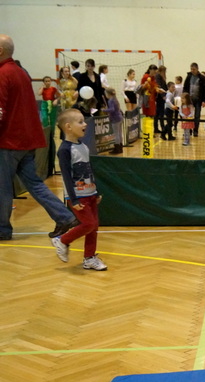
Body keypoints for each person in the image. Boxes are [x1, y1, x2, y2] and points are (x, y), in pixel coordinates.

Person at [0, 34, 78, 241]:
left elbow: (0, 110)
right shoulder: (21, 72)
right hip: (27, 140)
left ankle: (2, 230)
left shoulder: (2, 73)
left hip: (9, 141)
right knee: (34, 183)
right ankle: (65, 217)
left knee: (2, 187)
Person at [50, 108, 107, 271]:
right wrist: (73, 199)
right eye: (80, 122)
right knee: (88, 224)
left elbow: (89, 171)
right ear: (68, 127)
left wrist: (96, 191)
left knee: (94, 227)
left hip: (90, 193)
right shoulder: (64, 150)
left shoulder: (83, 146)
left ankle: (89, 258)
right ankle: (62, 240)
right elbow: (66, 176)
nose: (85, 124)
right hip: (77, 196)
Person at [184, 63, 205, 136]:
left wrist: (204, 101)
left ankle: (195, 131)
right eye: (191, 69)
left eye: (194, 69)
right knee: (188, 115)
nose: (192, 70)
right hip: (189, 100)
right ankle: (189, 130)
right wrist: (185, 97)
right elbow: (185, 87)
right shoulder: (189, 76)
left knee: (197, 116)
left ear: (197, 69)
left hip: (198, 100)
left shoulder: (202, 78)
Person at [105, 88, 124, 154]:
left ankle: (117, 148)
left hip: (115, 119)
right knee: (119, 133)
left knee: (116, 134)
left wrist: (104, 110)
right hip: (120, 117)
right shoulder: (115, 99)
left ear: (108, 94)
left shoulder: (110, 100)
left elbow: (112, 109)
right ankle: (120, 148)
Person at [154, 65, 168, 134]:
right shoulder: (158, 76)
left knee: (159, 113)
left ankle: (158, 128)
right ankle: (161, 127)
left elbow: (164, 86)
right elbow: (159, 86)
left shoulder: (161, 76)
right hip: (159, 97)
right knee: (159, 113)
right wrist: (163, 95)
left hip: (162, 96)